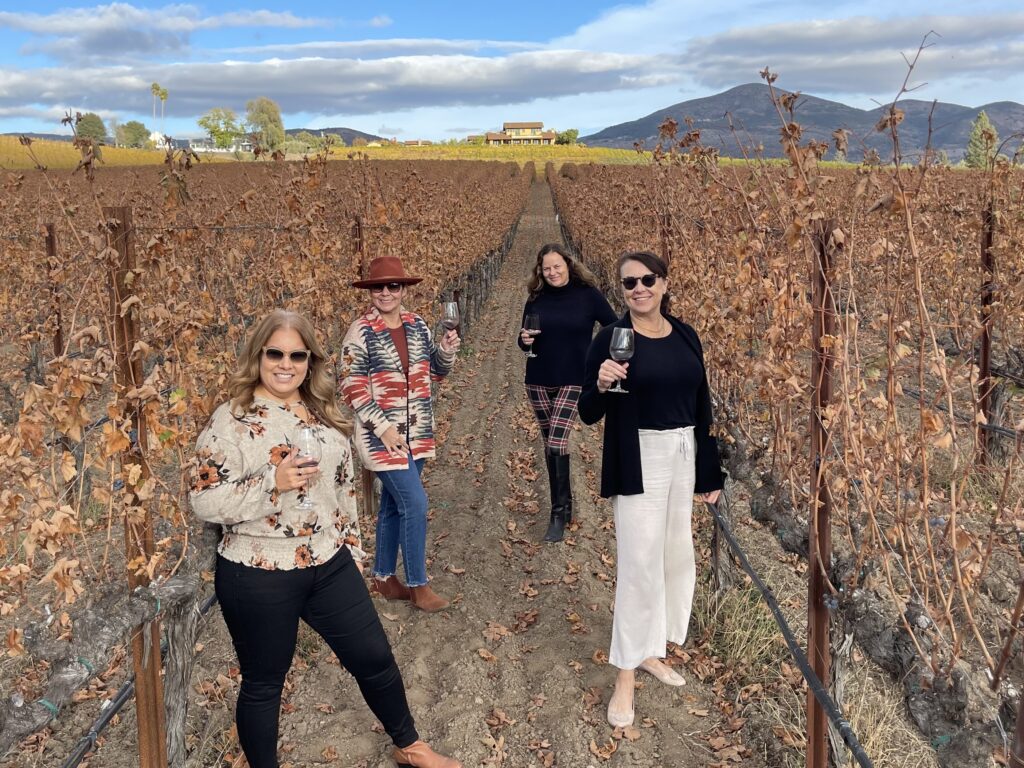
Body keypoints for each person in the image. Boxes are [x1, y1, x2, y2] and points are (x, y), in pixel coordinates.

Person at [190, 309, 460, 768]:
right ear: (257, 355)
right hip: (260, 570)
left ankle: (409, 746)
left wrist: (351, 546)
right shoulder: (232, 419)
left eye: (298, 354)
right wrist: (272, 483)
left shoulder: (320, 409)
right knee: (264, 683)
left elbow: (343, 486)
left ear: (310, 360)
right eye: (275, 353)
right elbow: (205, 501)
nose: (285, 363)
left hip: (328, 561)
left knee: (373, 656)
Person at [578, 251, 725, 729]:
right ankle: (624, 674)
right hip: (639, 457)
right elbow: (587, 411)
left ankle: (650, 650)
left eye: (647, 279)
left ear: (663, 283)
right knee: (639, 564)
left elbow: (701, 406)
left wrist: (709, 473)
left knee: (673, 556)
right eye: (628, 283)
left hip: (683, 453)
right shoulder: (612, 339)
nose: (638, 289)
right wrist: (600, 382)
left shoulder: (685, 334)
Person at [341, 256, 460, 612]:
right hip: (383, 438)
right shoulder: (360, 332)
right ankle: (417, 585)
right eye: (379, 287)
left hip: (418, 432)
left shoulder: (418, 326)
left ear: (404, 289)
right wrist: (383, 426)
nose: (386, 293)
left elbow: (434, 374)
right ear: (370, 292)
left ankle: (382, 577)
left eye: (394, 286)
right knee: (416, 503)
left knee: (394, 506)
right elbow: (352, 386)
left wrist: (447, 353)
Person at [517, 243, 617, 542]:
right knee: (551, 443)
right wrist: (524, 339)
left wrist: (597, 357)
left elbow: (613, 326)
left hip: (574, 379)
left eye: (557, 266)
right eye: (547, 269)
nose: (552, 272)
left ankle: (558, 514)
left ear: (568, 265)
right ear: (541, 271)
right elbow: (525, 342)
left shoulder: (588, 296)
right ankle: (567, 505)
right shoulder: (535, 299)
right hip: (538, 379)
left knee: (558, 441)